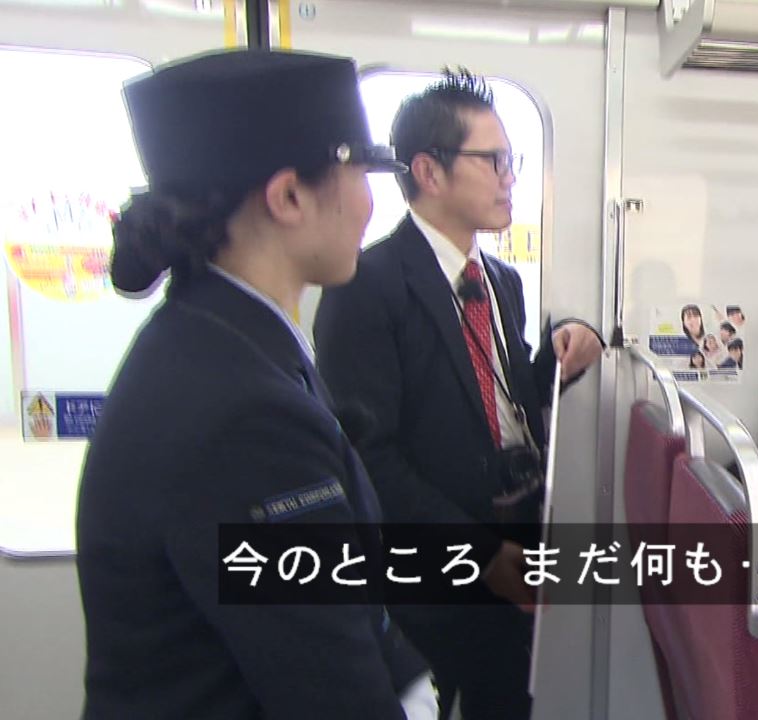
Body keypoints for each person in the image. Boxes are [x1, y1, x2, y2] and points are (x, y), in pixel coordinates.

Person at [76, 49, 436, 719]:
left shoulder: (218, 340)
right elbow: (332, 692)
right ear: (289, 196)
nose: (368, 204)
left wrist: (412, 679)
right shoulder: (246, 415)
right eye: (361, 172)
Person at [313, 68, 604, 720]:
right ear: (429, 171)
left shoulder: (500, 280)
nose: (510, 178)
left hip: (518, 549)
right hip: (433, 574)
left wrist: (568, 348)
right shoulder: (368, 285)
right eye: (493, 160)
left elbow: (505, 397)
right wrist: (481, 554)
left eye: (512, 160)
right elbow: (369, 457)